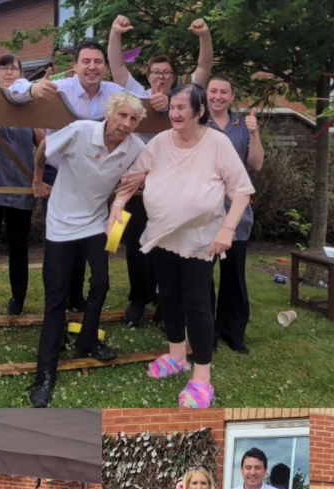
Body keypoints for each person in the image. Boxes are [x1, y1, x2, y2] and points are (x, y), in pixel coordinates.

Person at [112, 84, 254, 408]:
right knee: (169, 296)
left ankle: (202, 380)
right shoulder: (160, 142)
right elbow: (133, 177)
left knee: (197, 303)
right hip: (162, 236)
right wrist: (118, 205)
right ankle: (177, 356)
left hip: (200, 240)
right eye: (172, 108)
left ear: (199, 111)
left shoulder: (217, 143)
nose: (174, 114)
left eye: (181, 108)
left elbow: (242, 190)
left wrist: (228, 230)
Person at [8, 40, 168, 313]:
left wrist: (161, 102)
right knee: (59, 242)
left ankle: (77, 299)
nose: (92, 67)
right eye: (86, 61)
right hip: (58, 171)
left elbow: (143, 103)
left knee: (89, 239)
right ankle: (60, 300)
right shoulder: (61, 86)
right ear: (75, 66)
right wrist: (32, 88)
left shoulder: (114, 92)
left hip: (94, 177)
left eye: (98, 62)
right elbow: (14, 89)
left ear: (105, 67)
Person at [28, 92, 147, 408]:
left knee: (102, 283)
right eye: (122, 115)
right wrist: (37, 180)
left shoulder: (135, 147)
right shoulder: (81, 130)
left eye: (133, 119)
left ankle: (87, 340)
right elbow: (43, 148)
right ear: (109, 113)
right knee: (56, 296)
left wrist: (135, 182)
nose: (127, 124)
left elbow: (155, 164)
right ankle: (45, 373)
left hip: (95, 222)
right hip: (61, 222)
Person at [108, 15, 213, 325]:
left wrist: (204, 37)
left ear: (173, 76)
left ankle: (167, 303)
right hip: (140, 186)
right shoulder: (135, 92)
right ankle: (139, 297)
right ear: (148, 74)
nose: (161, 78)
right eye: (156, 72)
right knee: (137, 243)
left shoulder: (185, 98)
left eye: (166, 73)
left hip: (175, 188)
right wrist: (116, 34)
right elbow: (116, 67)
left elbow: (204, 70)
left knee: (170, 245)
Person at [0, 54, 45, 316]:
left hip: (21, 185)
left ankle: (18, 300)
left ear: (20, 73)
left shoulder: (30, 104)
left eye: (13, 67)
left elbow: (42, 142)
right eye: (2, 67)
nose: (8, 72)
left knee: (19, 248)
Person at [206, 75, 264, 354]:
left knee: (233, 277)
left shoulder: (242, 126)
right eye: (213, 91)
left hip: (236, 215)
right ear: (206, 94)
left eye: (224, 92)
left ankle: (233, 331)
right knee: (203, 277)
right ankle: (207, 331)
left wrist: (254, 133)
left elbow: (256, 164)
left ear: (232, 97)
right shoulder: (197, 122)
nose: (218, 96)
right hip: (203, 214)